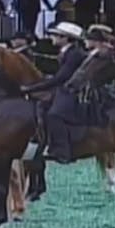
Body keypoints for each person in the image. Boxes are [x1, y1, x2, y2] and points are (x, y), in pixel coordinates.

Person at [20, 22, 86, 164]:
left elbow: (61, 78)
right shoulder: (66, 52)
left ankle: (62, 150)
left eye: (55, 35)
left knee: (54, 115)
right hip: (64, 87)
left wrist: (31, 88)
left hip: (73, 90)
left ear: (65, 38)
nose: (51, 38)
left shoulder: (74, 54)